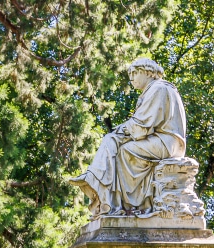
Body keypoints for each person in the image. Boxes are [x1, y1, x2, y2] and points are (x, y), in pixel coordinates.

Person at [69, 58, 186, 217]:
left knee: (124, 150)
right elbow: (141, 125)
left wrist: (120, 131)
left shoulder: (159, 88)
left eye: (135, 73)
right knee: (112, 140)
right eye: (129, 74)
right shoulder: (153, 89)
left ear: (148, 72)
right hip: (158, 139)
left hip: (166, 142)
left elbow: (142, 125)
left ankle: (125, 202)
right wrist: (121, 131)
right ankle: (97, 182)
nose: (131, 78)